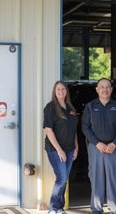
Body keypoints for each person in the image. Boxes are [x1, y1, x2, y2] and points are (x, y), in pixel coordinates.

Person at [82, 78, 116, 214]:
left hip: (114, 148)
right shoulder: (90, 106)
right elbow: (85, 127)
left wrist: (114, 143)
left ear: (111, 89)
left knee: (113, 178)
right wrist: (97, 143)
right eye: (102, 87)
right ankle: (96, 208)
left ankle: (114, 208)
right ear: (97, 89)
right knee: (96, 178)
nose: (105, 89)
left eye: (108, 87)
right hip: (96, 148)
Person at [43, 81, 79, 214]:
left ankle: (59, 208)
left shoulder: (70, 108)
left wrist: (76, 147)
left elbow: (73, 129)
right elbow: (48, 130)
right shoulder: (50, 108)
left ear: (66, 91)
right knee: (62, 178)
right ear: (54, 91)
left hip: (70, 149)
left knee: (64, 179)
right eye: (58, 89)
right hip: (55, 150)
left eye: (63, 89)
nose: (61, 92)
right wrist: (59, 150)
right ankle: (53, 208)